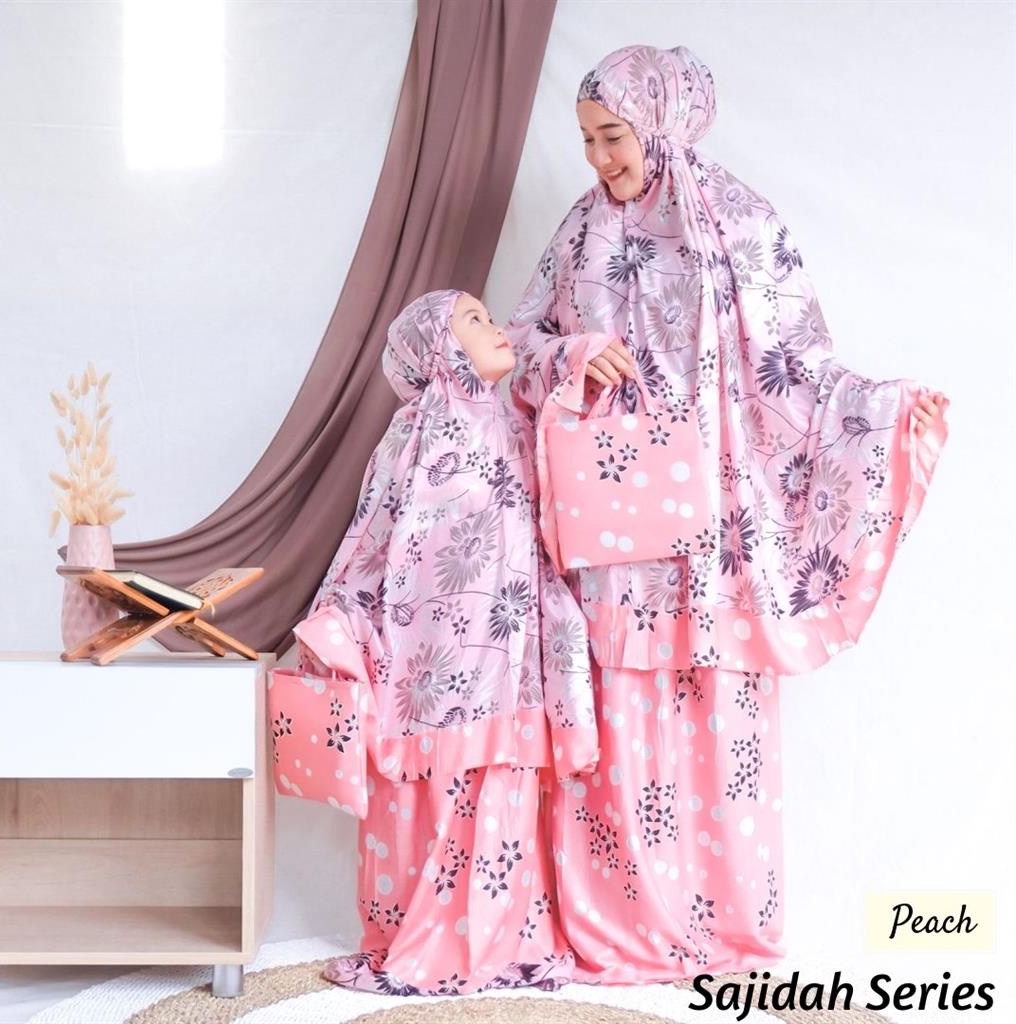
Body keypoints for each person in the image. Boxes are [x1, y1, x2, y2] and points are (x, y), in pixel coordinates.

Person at [505, 44, 948, 983]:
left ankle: (726, 925)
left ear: (661, 123)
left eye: (614, 136)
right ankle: (621, 922)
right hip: (612, 522)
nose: (600, 159)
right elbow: (519, 343)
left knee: (722, 717)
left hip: (715, 527)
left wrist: (883, 412)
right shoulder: (580, 230)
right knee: (616, 714)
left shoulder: (742, 223)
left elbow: (798, 370)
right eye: (586, 140)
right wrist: (571, 355)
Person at [268, 288, 598, 995]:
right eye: (473, 320)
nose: (495, 327)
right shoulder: (411, 436)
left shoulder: (518, 427)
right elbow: (373, 533)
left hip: (508, 658)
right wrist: (339, 619)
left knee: (503, 782)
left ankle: (506, 937)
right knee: (430, 786)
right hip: (428, 661)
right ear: (438, 347)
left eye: (489, 316)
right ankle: (424, 935)